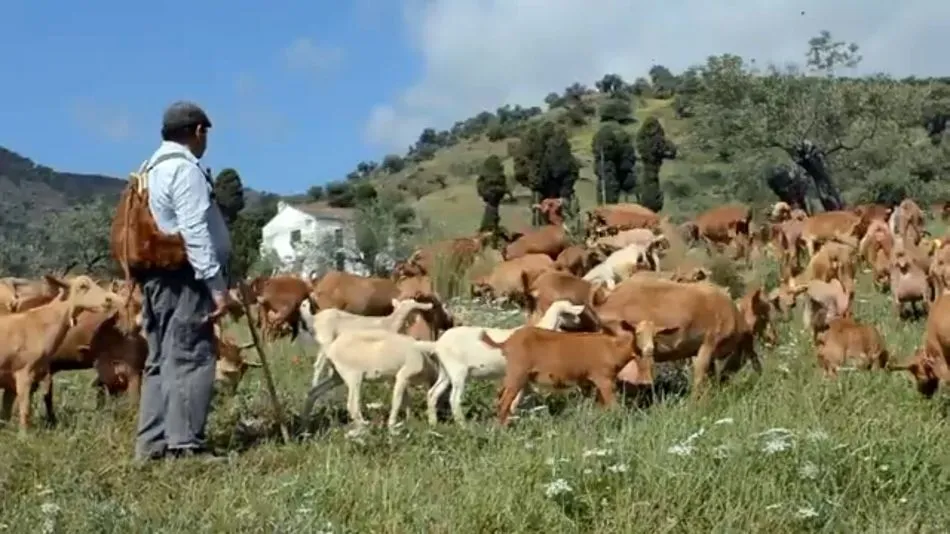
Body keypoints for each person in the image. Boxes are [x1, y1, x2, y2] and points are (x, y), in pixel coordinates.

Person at [134, 101, 235, 463]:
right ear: (198, 131)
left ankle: (152, 446)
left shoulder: (147, 169)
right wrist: (216, 286)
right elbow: (194, 231)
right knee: (191, 356)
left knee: (160, 359)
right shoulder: (184, 169)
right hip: (185, 278)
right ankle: (185, 446)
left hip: (156, 280)